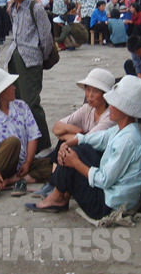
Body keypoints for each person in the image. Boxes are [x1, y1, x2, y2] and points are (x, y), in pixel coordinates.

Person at [25, 76, 141, 218]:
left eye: (114, 103)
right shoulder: (121, 130)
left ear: (125, 110)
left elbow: (104, 180)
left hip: (107, 206)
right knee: (80, 148)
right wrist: (69, 143)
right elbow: (97, 138)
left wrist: (76, 163)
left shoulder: (128, 141)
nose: (110, 106)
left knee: (74, 160)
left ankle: (57, 198)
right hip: (109, 194)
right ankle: (59, 195)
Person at [33, 68, 116, 199]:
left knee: (69, 144)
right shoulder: (86, 109)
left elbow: (88, 140)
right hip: (84, 146)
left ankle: (56, 185)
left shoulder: (109, 117)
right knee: (64, 143)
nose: (90, 95)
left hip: (99, 158)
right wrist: (74, 130)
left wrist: (66, 135)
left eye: (95, 91)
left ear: (105, 95)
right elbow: (56, 127)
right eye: (88, 90)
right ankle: (55, 183)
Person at [0, 68, 52, 202]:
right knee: (13, 142)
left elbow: (33, 136)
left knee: (55, 165)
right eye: (10, 85)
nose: (14, 88)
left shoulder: (22, 107)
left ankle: (14, 180)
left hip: (21, 164)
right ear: (1, 91)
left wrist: (27, 163)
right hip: (1, 164)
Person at [2, 0, 54, 150]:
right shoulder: (13, 8)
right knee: (17, 104)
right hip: (14, 57)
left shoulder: (36, 8)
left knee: (31, 104)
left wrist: (41, 57)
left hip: (31, 61)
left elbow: (46, 38)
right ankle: (26, 142)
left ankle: (44, 146)